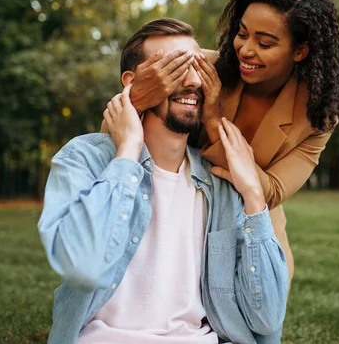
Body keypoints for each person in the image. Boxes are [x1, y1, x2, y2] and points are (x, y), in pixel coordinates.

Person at [38, 18, 288, 344]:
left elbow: (267, 320)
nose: (194, 79)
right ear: (133, 82)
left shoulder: (223, 184)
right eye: (173, 66)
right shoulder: (83, 159)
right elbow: (84, 267)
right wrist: (127, 152)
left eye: (198, 65)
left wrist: (254, 195)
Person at [106, 0, 339, 287]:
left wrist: (213, 121)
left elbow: (272, 191)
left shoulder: (317, 115)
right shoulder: (201, 68)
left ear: (300, 50)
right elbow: (111, 129)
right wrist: (137, 95)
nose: (245, 50)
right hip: (172, 217)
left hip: (248, 233)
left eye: (264, 43)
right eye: (242, 33)